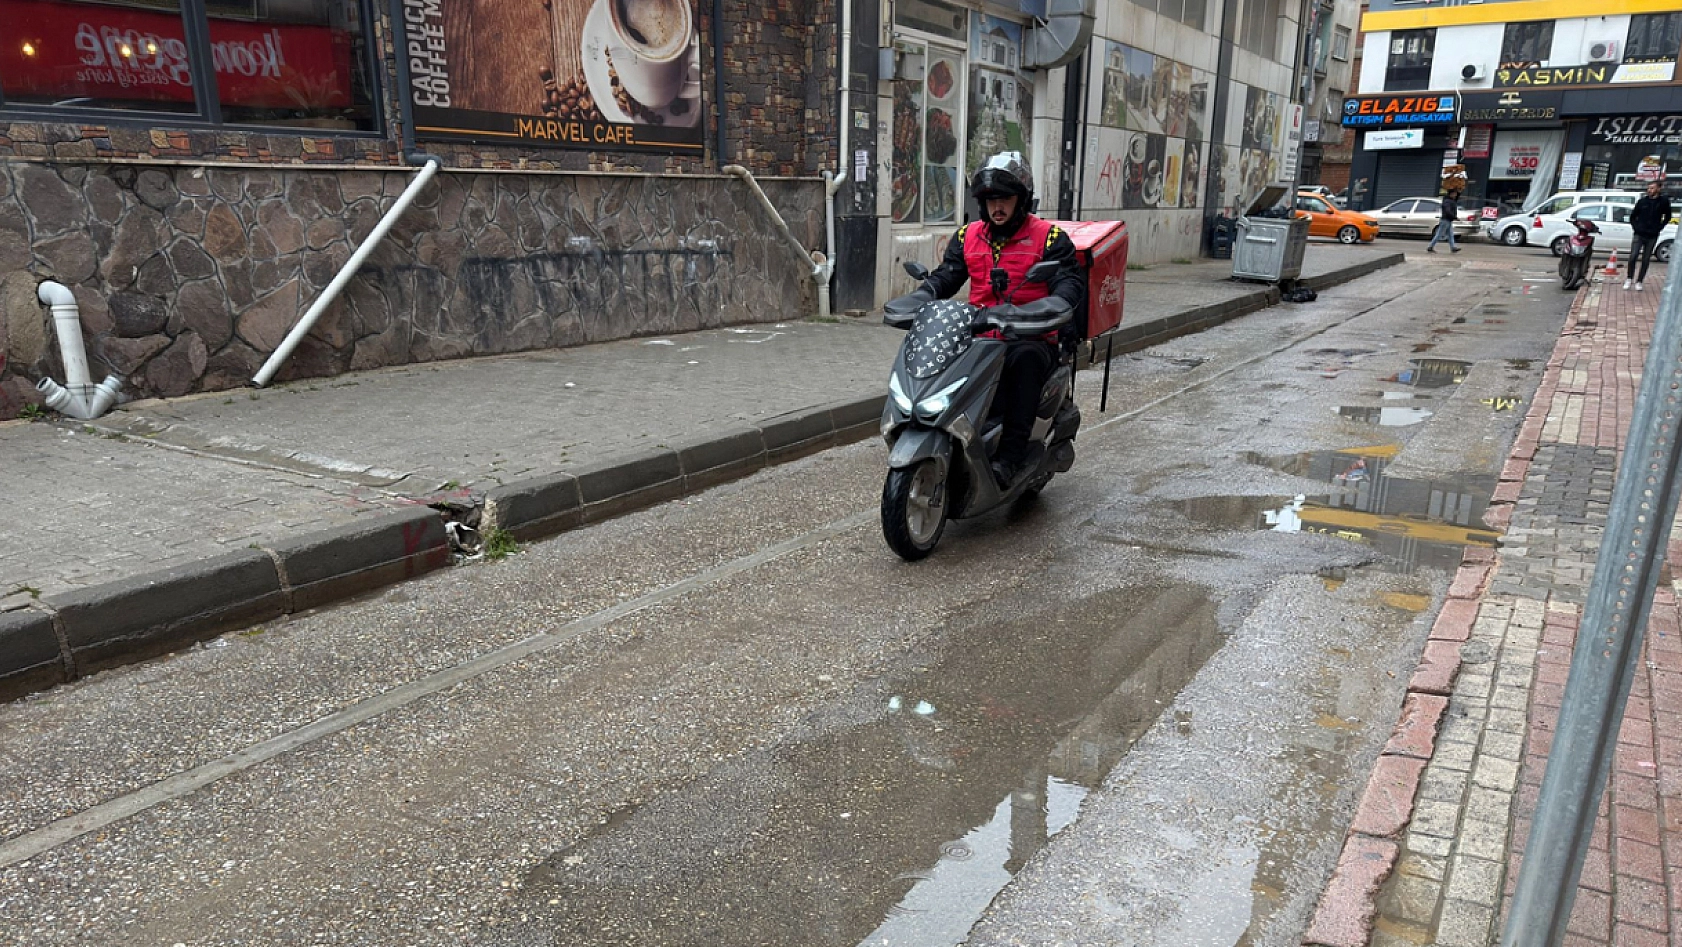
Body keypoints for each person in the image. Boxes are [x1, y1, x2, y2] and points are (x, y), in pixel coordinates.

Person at [922, 152, 1087, 487]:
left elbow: (1069, 283)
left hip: (1031, 335)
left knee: (1024, 361)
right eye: (991, 199)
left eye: (1005, 199)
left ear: (1021, 199)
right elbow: (947, 277)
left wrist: (1049, 306)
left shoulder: (1049, 238)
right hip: (980, 333)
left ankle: (1012, 458)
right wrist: (923, 295)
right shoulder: (968, 236)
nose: (997, 207)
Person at [1627, 180, 1672, 291]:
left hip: (1652, 234)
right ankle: (1629, 278)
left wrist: (1659, 227)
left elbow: (1667, 216)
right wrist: (1636, 227)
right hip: (1639, 233)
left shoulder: (1663, 202)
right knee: (1633, 256)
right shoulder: (1642, 202)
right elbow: (1633, 216)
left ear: (1658, 189)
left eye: (1652, 188)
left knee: (1646, 259)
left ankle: (1639, 281)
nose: (1649, 190)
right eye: (1649, 188)